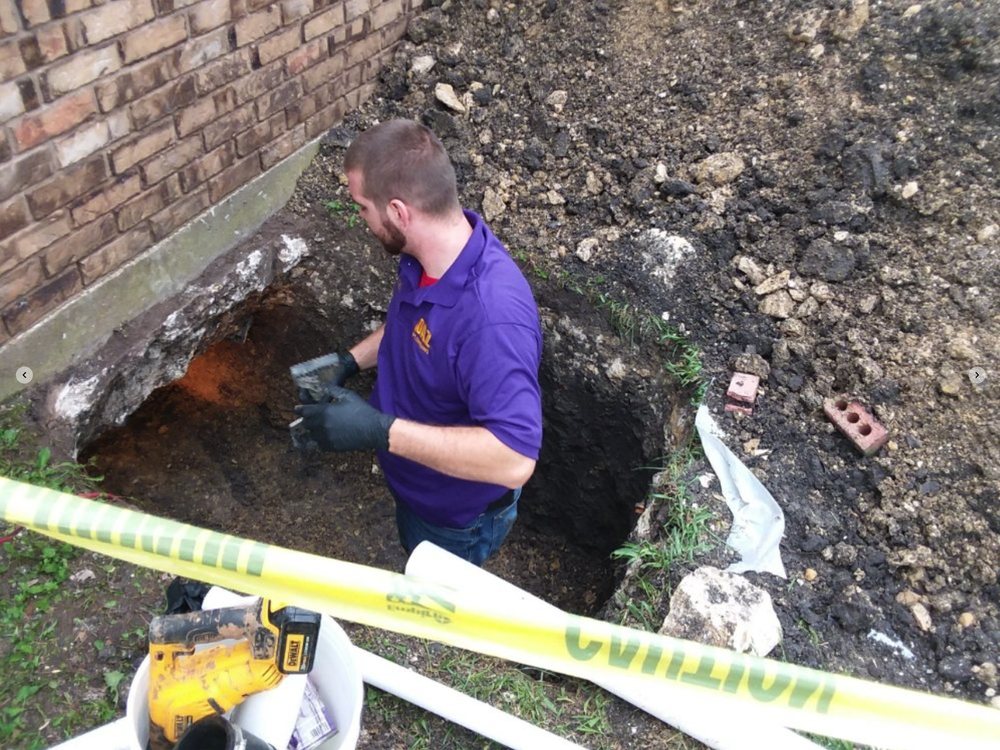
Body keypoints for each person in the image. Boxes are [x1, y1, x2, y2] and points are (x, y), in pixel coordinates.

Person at [295, 119, 543, 566]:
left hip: (453, 522)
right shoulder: (428, 259)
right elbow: (416, 326)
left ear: (398, 211)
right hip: (417, 487)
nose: (361, 220)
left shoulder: (491, 319)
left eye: (362, 208)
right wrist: (348, 361)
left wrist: (379, 430)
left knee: (432, 599)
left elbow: (514, 458)